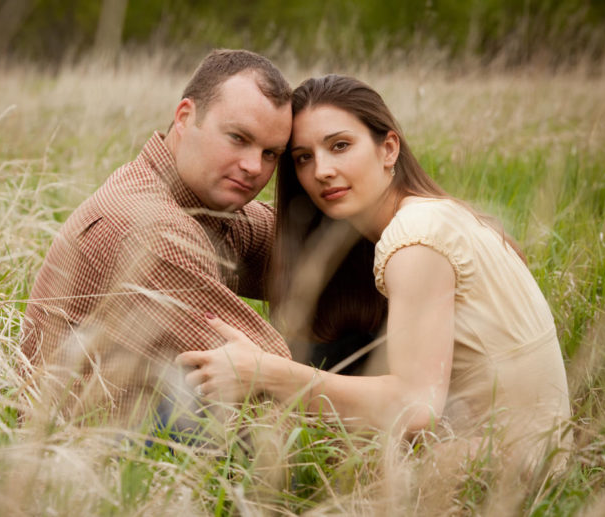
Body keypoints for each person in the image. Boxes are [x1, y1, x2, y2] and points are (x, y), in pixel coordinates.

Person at [177, 75, 571, 455]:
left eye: (341, 145)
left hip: (499, 469)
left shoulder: (416, 236)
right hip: (517, 453)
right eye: (303, 158)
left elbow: (417, 406)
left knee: (199, 419)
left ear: (389, 149)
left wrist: (268, 372)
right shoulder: (437, 215)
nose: (322, 171)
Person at [21, 49, 294, 421]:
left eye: (270, 154)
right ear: (185, 117)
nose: (253, 167)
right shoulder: (154, 231)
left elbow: (318, 254)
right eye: (237, 138)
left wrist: (398, 239)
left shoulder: (200, 203)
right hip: (85, 460)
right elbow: (286, 392)